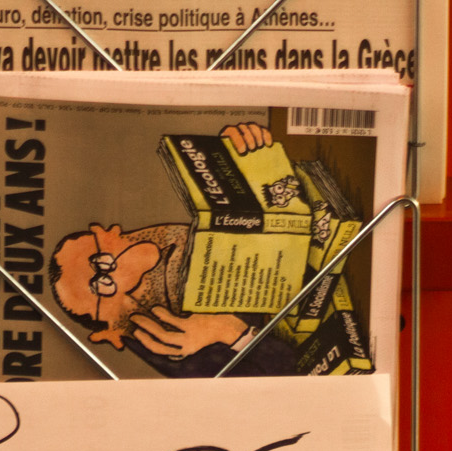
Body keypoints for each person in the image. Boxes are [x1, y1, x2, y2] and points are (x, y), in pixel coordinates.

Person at [45, 122, 307, 379]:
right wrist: (232, 333)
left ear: (111, 233)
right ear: (114, 333)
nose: (138, 266)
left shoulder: (221, 231)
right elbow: (303, 378)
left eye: (101, 260)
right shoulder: (192, 363)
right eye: (104, 286)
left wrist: (252, 161)